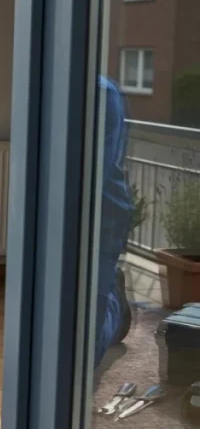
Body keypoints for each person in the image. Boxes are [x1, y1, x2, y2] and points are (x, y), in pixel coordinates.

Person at [94, 75, 136, 369]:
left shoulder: (100, 93)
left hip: (103, 216)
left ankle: (114, 306)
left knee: (89, 349)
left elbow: (95, 167)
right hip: (69, 214)